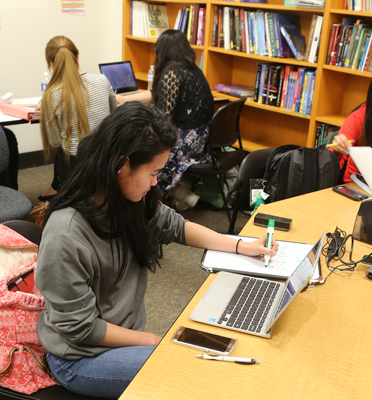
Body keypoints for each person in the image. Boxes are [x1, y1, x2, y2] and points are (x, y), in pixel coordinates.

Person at [35, 102, 277, 398]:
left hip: (121, 335)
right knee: (187, 371)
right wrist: (152, 340)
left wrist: (241, 246)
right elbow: (83, 329)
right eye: (152, 173)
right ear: (121, 164)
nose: (155, 182)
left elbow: (176, 226)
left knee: (213, 351)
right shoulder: (66, 234)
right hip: (81, 356)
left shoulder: (128, 199)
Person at [120, 29, 214, 210]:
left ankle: (172, 196)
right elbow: (161, 99)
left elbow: (162, 121)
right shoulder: (193, 69)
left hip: (186, 143)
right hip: (203, 140)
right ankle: (181, 193)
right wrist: (126, 100)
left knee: (141, 152)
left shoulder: (171, 74)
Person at [39, 36, 117, 201]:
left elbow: (53, 142)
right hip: (105, 158)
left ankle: (56, 191)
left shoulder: (51, 95)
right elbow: (114, 116)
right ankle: (56, 188)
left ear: (50, 63)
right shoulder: (102, 80)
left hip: (75, 163)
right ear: (77, 56)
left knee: (63, 151)